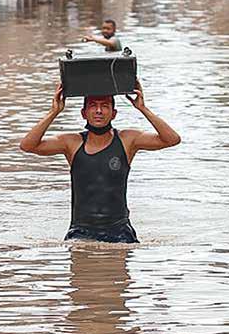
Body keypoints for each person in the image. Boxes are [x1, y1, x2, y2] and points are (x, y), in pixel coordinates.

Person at [19, 79, 181, 243]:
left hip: (120, 231)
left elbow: (172, 139)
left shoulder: (127, 140)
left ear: (113, 113)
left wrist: (143, 108)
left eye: (104, 106)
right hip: (80, 231)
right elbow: (27, 146)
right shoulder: (71, 143)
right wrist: (54, 112)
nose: (98, 111)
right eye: (93, 106)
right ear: (84, 113)